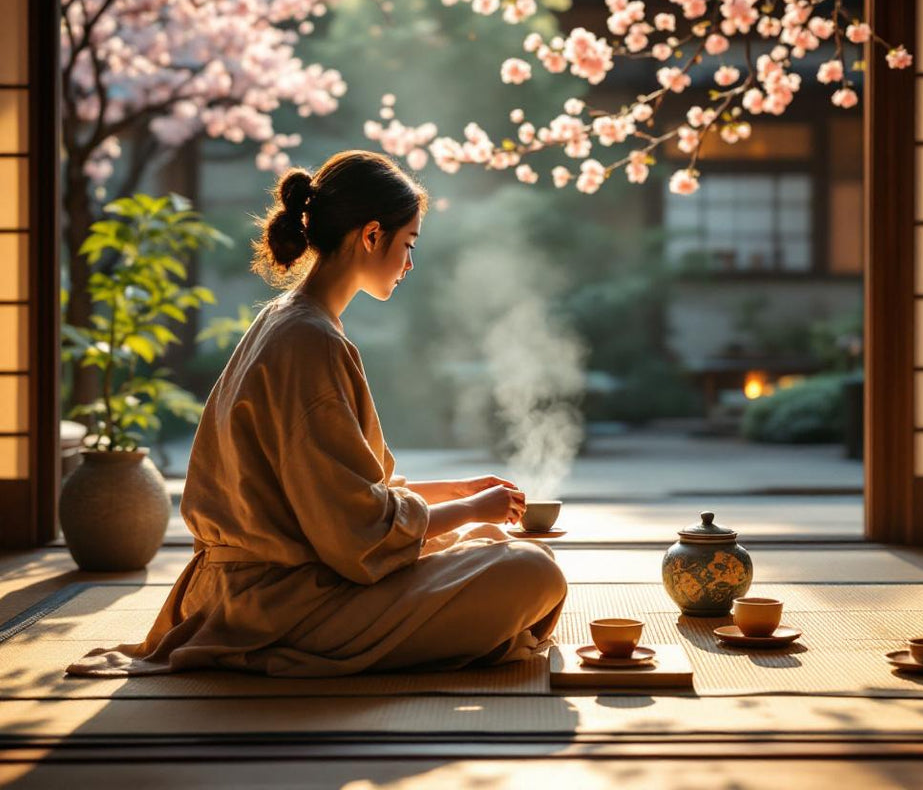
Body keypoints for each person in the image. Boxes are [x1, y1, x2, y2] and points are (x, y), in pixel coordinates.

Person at [66, 150, 568, 678]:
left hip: (259, 586)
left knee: (489, 542)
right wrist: (469, 509)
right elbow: (356, 534)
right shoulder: (311, 340)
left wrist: (459, 493)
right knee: (533, 573)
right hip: (284, 604)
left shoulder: (286, 319)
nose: (410, 264)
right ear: (371, 235)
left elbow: (342, 497)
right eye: (407, 244)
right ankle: (319, 649)